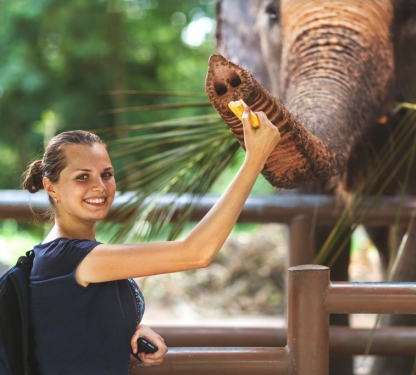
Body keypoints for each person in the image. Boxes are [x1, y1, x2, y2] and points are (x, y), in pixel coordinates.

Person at [22, 106, 280, 374]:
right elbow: (196, 253)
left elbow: (71, 334)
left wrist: (128, 335)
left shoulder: (73, 257)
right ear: (51, 187)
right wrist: (254, 160)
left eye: (106, 174)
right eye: (82, 177)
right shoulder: (68, 258)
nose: (99, 185)